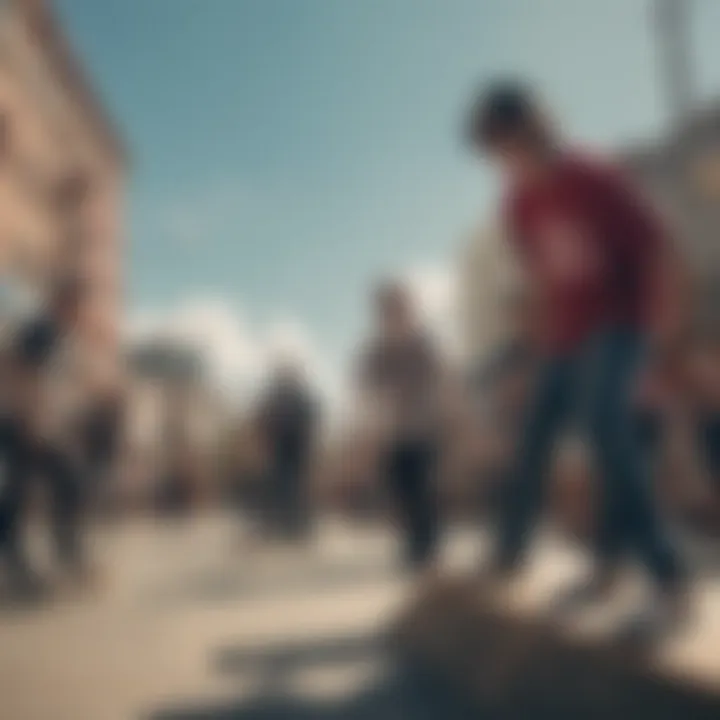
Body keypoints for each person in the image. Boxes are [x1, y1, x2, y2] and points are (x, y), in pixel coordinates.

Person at [466, 80, 688, 636]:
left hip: (622, 322)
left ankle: (668, 575)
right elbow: (542, 284)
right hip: (565, 338)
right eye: (494, 156)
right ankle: (515, 557)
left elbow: (661, 250)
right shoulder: (517, 204)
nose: (505, 165)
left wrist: (668, 342)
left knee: (606, 425)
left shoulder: (595, 176)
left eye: (509, 149)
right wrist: (530, 363)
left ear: (535, 131)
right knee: (535, 433)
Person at [0, 276, 91, 595]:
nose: (81, 315)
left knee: (34, 487)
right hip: (21, 421)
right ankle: (37, 561)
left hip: (33, 422)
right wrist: (31, 420)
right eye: (78, 307)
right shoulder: (42, 330)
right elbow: (17, 370)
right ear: (64, 303)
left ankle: (58, 555)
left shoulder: (56, 335)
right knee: (33, 488)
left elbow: (51, 385)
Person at [357, 281, 445, 574]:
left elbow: (441, 383)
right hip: (392, 434)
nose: (394, 315)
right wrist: (371, 435)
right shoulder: (376, 353)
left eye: (399, 308)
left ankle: (428, 548)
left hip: (423, 428)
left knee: (424, 489)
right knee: (402, 489)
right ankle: (414, 545)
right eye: (388, 310)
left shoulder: (423, 346)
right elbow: (368, 394)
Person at [255, 359, 319, 542]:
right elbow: (263, 420)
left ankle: (296, 525)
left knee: (294, 486)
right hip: (279, 448)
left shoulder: (300, 397)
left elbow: (310, 422)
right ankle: (282, 524)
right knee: (279, 484)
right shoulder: (274, 397)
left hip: (296, 448)